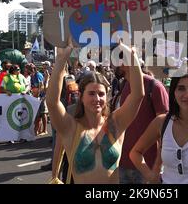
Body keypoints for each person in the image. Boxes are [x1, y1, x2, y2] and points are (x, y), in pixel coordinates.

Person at [46, 40, 144, 184]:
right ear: (81, 96)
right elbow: (52, 103)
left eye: (101, 94)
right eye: (91, 93)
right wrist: (61, 60)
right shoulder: (71, 127)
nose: (97, 99)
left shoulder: (115, 123)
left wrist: (130, 55)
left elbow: (137, 95)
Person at [116, 57, 169, 184]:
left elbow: (165, 132)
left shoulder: (155, 86)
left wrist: (158, 168)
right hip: (122, 164)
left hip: (146, 166)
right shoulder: (124, 85)